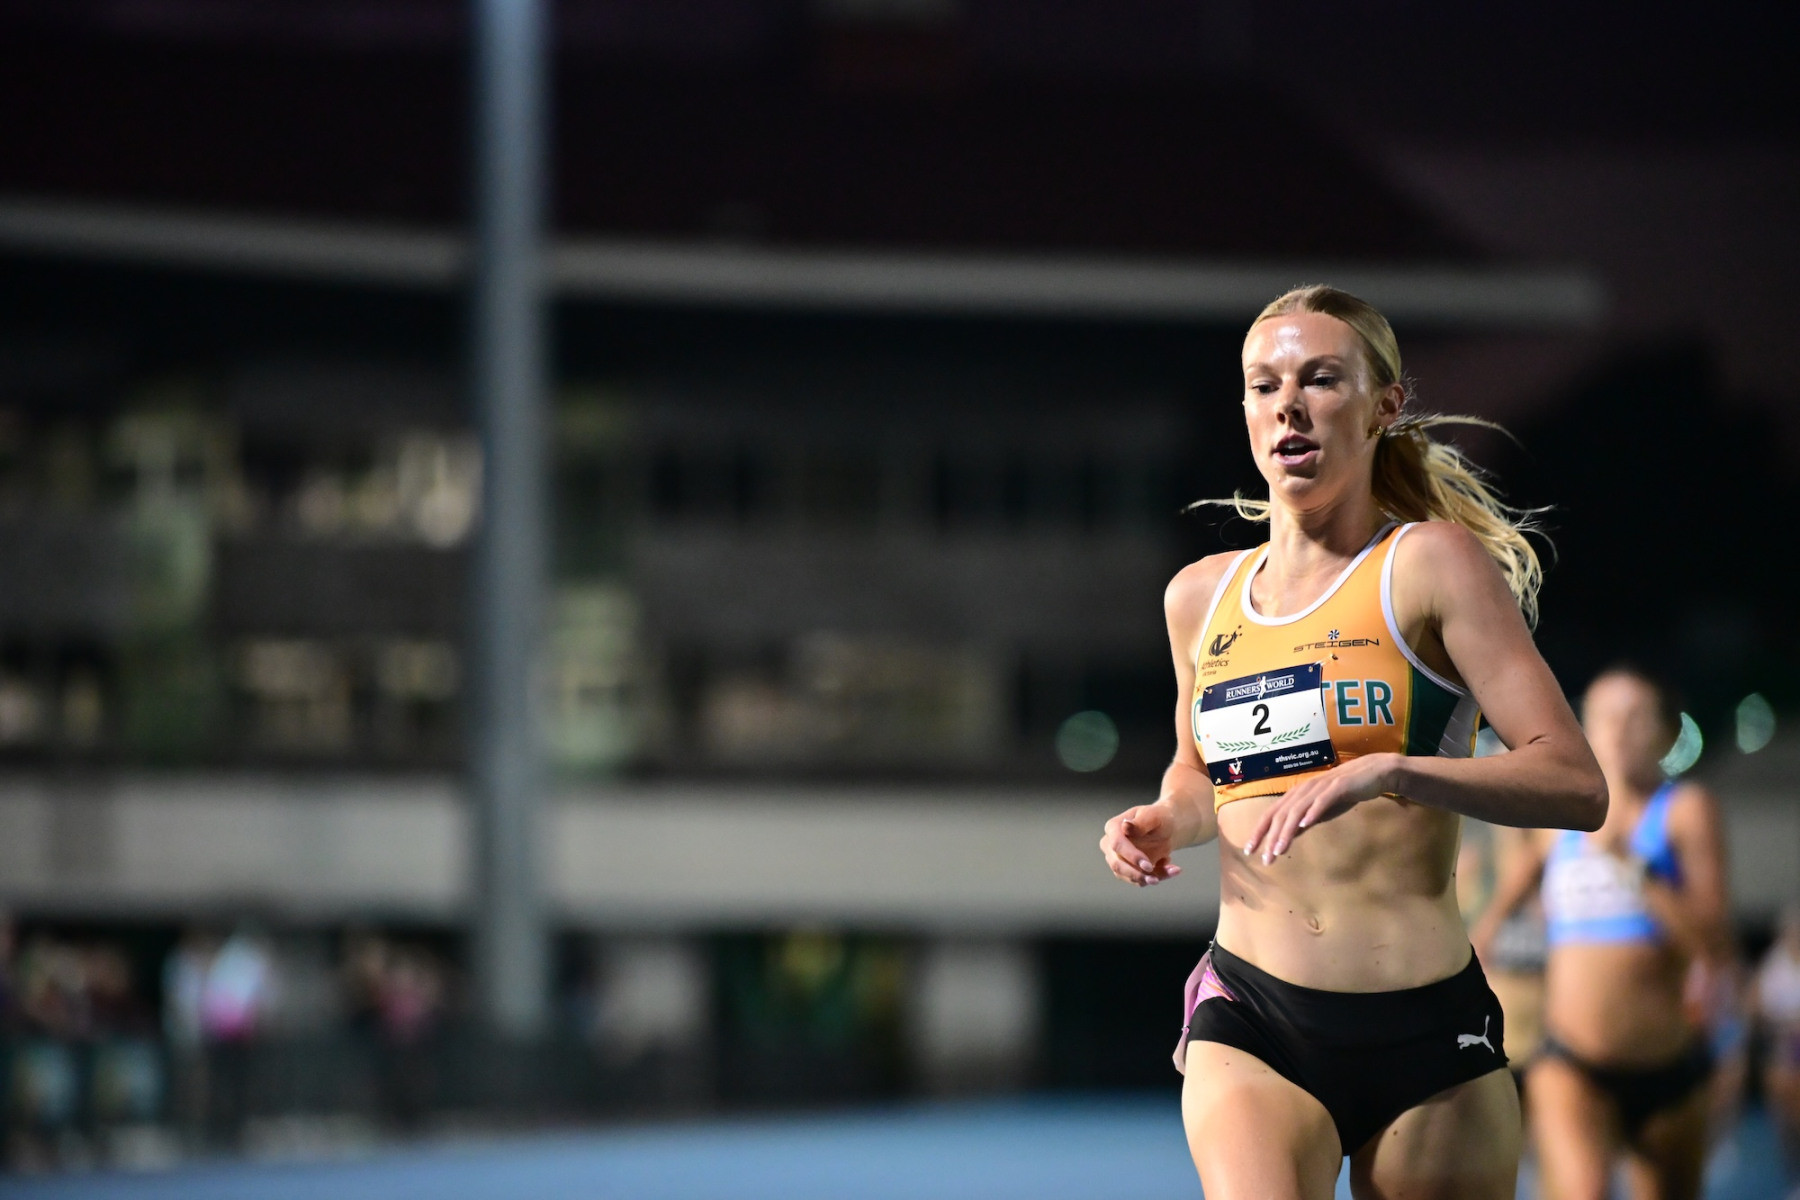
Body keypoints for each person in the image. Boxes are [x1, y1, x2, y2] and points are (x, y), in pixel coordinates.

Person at [1097, 284, 1607, 1200]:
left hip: (1427, 1035)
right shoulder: (1199, 598)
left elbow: (1576, 783)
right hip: (1254, 1010)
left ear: (1384, 405)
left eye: (1321, 379)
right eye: (1265, 385)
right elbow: (1202, 773)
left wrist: (1395, 771)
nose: (1288, 404)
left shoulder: (1431, 566)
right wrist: (1168, 817)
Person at [1474, 666, 1730, 1200]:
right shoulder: (1559, 819)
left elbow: (1712, 943)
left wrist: (1631, 866)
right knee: (1583, 1190)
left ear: (1664, 732)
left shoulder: (1684, 811)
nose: (1618, 729)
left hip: (1668, 1067)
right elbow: (1495, 917)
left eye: (1635, 716)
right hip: (1572, 1062)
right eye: (1604, 716)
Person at [1754, 903, 1800, 1178]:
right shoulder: (1773, 965)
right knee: (1784, 1103)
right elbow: (1757, 1009)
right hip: (1783, 1044)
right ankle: (1791, 1166)